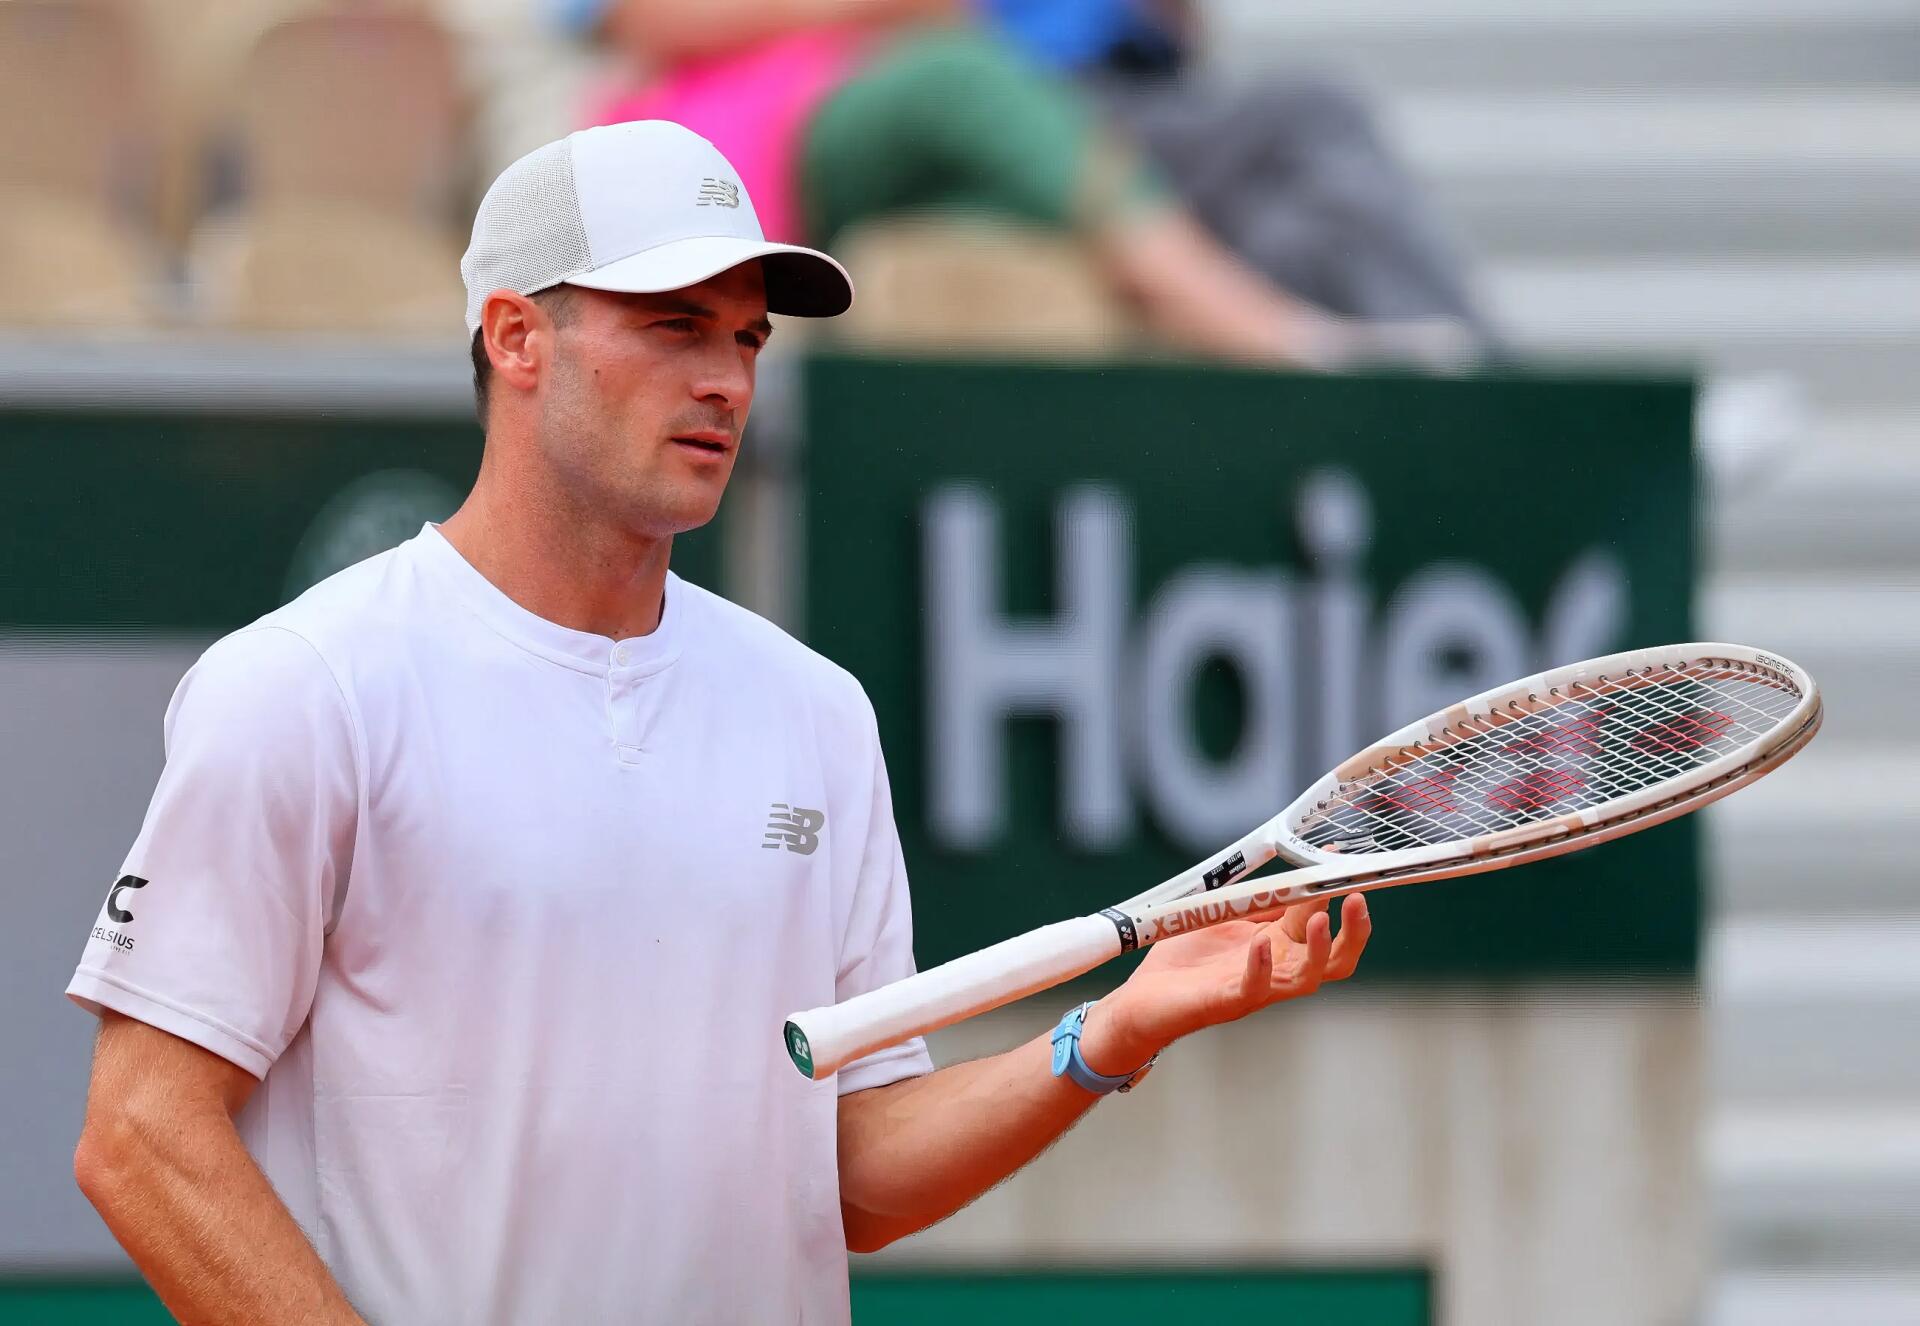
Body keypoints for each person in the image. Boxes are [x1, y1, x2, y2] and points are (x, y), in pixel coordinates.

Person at [67, 121, 1371, 1325]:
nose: (726, 380)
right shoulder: (306, 684)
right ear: (516, 338)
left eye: (746, 339)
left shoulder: (815, 712)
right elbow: (141, 1135)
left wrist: (1112, 1032)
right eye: (676, 326)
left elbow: (852, 1173)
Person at [570, 0, 1432, 367]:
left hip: (1094, 98)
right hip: (813, 105)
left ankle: (1450, 389)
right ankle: (1280, 336)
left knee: (1301, 182)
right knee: (1304, 126)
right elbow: (634, 19)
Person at [981, 0, 1493, 335]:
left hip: (1153, 91)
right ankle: (1481, 389)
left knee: (1283, 235)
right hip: (1056, 101)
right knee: (1313, 109)